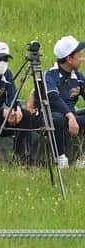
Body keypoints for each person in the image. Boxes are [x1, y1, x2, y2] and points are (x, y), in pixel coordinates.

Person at [43, 36, 85, 169]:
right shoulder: (50, 75)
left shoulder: (78, 77)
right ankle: (60, 157)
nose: (82, 59)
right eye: (79, 56)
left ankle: (82, 157)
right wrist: (70, 115)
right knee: (57, 118)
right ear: (69, 59)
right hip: (53, 117)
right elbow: (53, 98)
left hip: (72, 116)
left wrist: (73, 116)